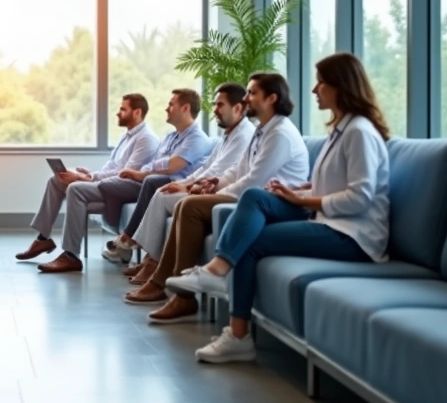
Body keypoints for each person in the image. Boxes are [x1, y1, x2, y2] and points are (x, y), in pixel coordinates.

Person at [167, 53, 389, 363]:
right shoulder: (341, 130)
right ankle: (233, 319)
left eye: (321, 83)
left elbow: (360, 197)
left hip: (354, 237)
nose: (314, 90)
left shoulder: (359, 132)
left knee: (250, 229)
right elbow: (335, 184)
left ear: (341, 87)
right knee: (254, 205)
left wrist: (303, 200)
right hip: (332, 222)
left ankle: (229, 306)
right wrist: (302, 189)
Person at [127, 74, 309, 322]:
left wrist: (216, 193)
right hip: (253, 196)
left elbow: (253, 181)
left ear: (272, 98)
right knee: (185, 205)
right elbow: (237, 171)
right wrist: (216, 184)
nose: (246, 99)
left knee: (189, 206)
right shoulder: (263, 131)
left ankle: (179, 295)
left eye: (252, 93)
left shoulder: (279, 134)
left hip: (269, 204)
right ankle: (167, 285)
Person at [112, 83, 254, 272]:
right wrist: (183, 184)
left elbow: (181, 166)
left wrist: (187, 185)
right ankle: (151, 261)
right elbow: (207, 167)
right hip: (202, 185)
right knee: (160, 192)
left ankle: (151, 262)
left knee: (159, 189)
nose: (214, 110)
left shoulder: (219, 137)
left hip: (220, 192)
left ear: (237, 108)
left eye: (219, 105)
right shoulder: (224, 135)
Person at [17, 94, 160, 273]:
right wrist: (90, 174)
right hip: (111, 184)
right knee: (57, 180)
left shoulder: (146, 139)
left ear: (137, 112)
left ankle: (71, 255)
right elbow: (112, 167)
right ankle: (42, 238)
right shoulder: (127, 136)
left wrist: (85, 179)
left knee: (76, 189)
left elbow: (125, 175)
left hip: (125, 189)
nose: (118, 113)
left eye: (123, 109)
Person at [97, 89, 214, 263]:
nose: (167, 109)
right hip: (159, 180)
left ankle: (128, 238)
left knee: (151, 180)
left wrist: (142, 174)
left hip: (177, 182)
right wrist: (142, 172)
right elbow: (157, 163)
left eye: (171, 104)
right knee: (147, 179)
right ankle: (129, 243)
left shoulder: (197, 138)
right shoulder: (169, 137)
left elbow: (173, 165)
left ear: (185, 108)